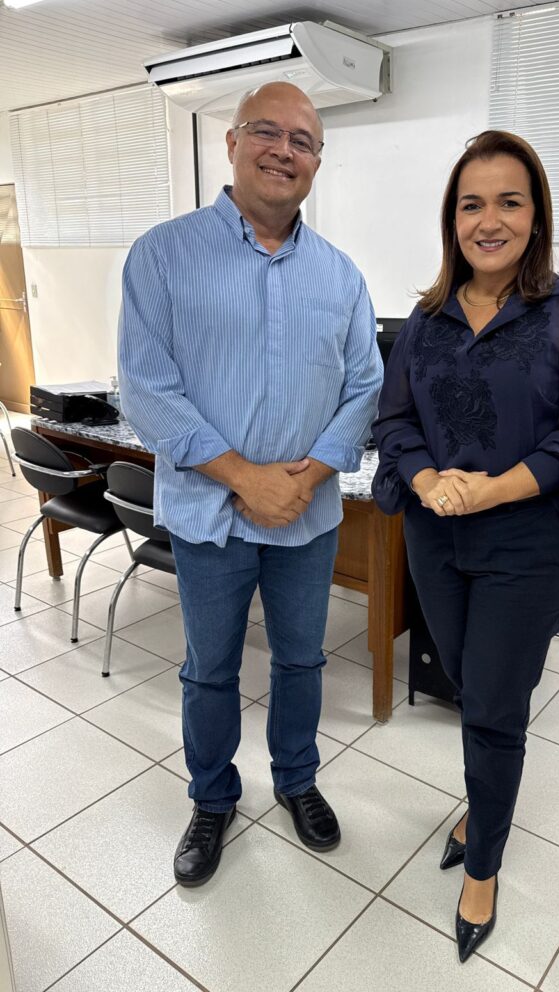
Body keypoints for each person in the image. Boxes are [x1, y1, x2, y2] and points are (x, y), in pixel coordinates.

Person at [119, 82, 383, 887]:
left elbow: (365, 386)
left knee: (302, 662)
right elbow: (146, 387)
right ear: (231, 143)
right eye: (267, 132)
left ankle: (297, 781)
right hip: (209, 514)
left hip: (308, 516)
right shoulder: (162, 255)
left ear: (317, 163)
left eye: (302, 141)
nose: (283, 150)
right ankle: (212, 798)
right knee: (209, 669)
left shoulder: (341, 277)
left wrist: (307, 477)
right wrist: (244, 478)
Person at [371, 130, 559, 962]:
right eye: (471, 204)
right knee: (467, 684)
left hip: (525, 544)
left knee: (494, 706)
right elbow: (395, 421)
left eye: (509, 202)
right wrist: (425, 481)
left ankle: (482, 866)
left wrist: (488, 489)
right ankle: (483, 805)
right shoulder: (428, 319)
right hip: (435, 537)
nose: (490, 220)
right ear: (452, 219)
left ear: (536, 215)